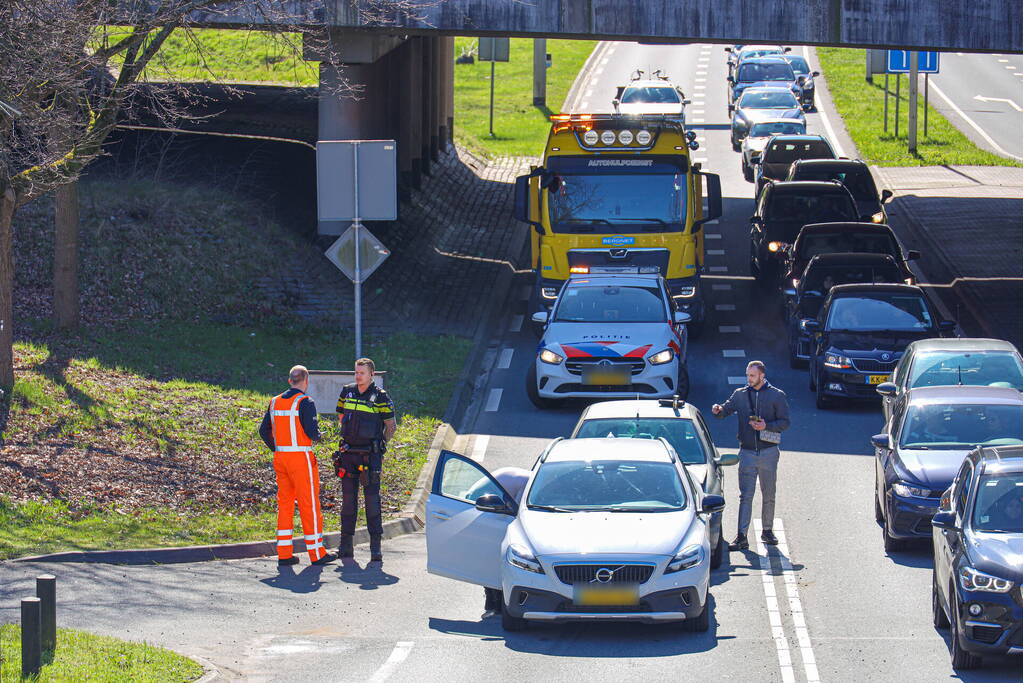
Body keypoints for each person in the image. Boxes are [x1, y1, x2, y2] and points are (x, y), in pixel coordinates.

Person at [259, 365, 337, 567]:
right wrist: (320, 436)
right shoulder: (305, 402)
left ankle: (284, 553)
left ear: (289, 381)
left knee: (285, 504)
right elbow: (312, 432)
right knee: (308, 504)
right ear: (306, 381)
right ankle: (316, 552)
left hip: (280, 458)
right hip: (300, 458)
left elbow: (263, 430)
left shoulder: (274, 402)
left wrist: (276, 448)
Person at [712, 360, 791, 551]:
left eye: (752, 376)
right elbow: (726, 410)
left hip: (769, 451)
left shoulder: (776, 395)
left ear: (762, 376)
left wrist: (767, 426)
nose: (749, 379)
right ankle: (741, 536)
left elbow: (785, 422)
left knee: (769, 494)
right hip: (747, 451)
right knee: (745, 496)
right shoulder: (740, 395)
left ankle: (767, 530)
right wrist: (718, 410)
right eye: (748, 375)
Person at [334, 358, 397, 562]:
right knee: (348, 501)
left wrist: (379, 447)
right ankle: (345, 546)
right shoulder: (347, 391)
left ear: (372, 374)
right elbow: (341, 417)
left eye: (362, 372)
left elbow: (391, 425)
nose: (357, 376)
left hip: (370, 456)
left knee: (372, 501)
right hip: (348, 455)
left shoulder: (380, 397)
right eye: (356, 372)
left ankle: (375, 548)